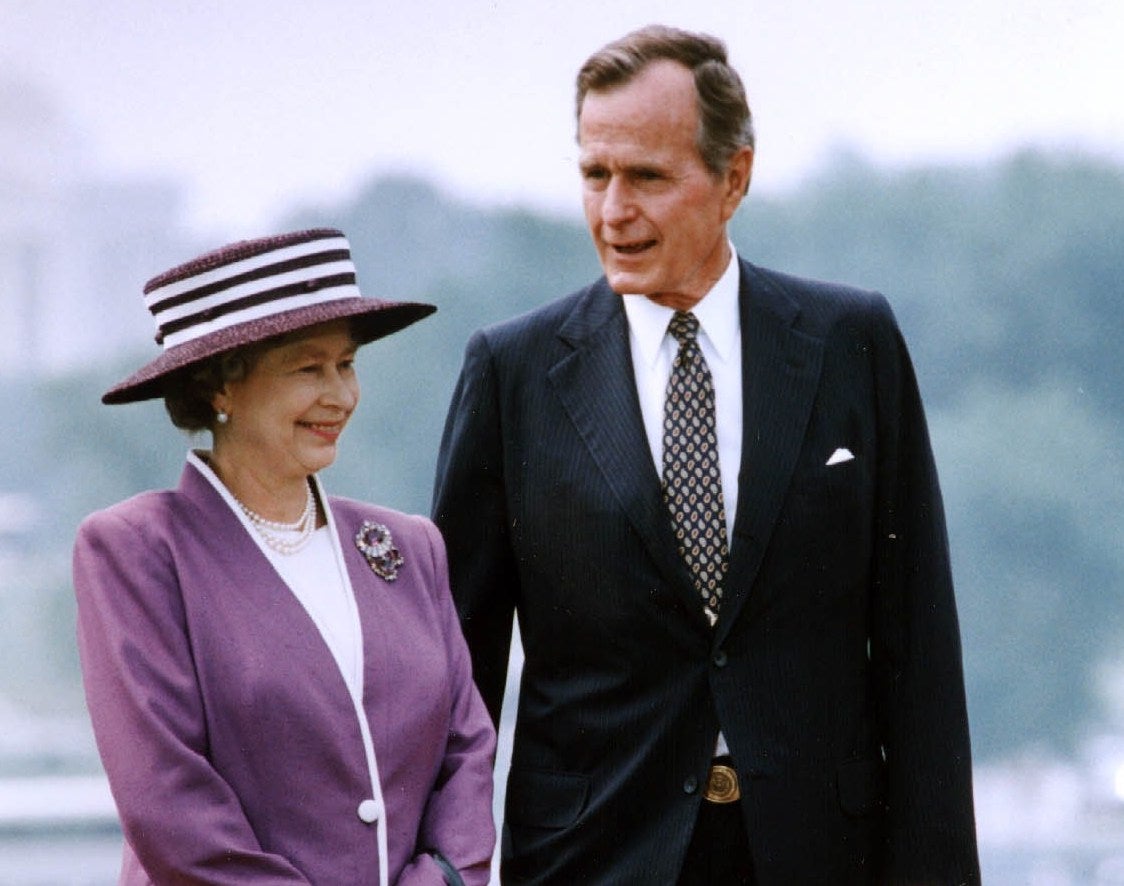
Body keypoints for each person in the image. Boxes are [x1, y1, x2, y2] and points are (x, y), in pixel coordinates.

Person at [432, 25, 979, 885]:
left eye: (647, 176)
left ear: (734, 179)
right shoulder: (512, 372)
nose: (614, 211)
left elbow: (920, 650)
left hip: (824, 857)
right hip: (591, 859)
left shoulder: (851, 342)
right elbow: (455, 678)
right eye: (594, 174)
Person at [74, 228, 496, 885]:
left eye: (347, 364)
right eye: (309, 368)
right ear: (222, 387)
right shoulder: (138, 550)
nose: (342, 395)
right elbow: (167, 804)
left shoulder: (409, 547)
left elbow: (467, 752)